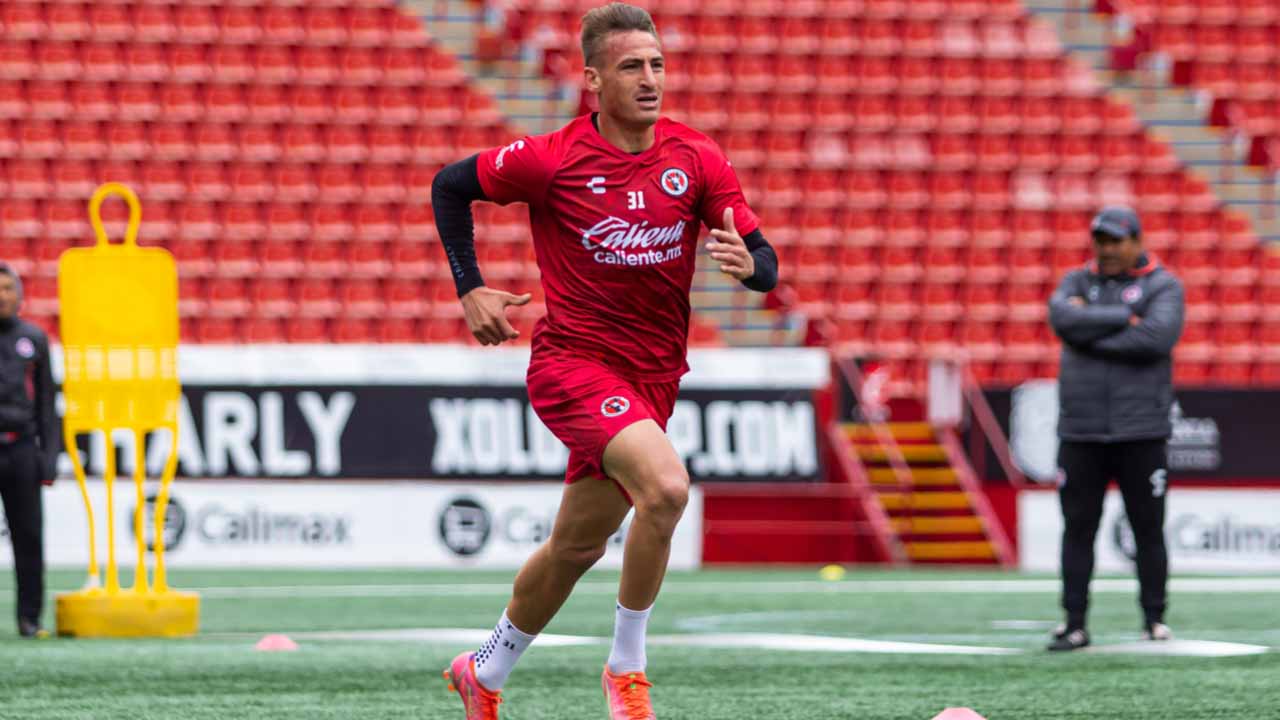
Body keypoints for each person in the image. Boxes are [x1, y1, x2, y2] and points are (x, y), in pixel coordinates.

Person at [430, 3, 778, 717]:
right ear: (592, 80)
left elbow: (765, 261)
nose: (650, 79)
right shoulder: (550, 160)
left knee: (573, 548)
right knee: (668, 490)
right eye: (631, 67)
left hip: (653, 378)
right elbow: (450, 186)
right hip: (573, 365)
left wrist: (750, 267)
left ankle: (484, 669)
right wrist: (469, 288)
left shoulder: (697, 158)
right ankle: (626, 671)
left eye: (657, 64)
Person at [1045, 206, 1185, 651]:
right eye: (1100, 241)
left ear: (1136, 242)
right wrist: (1123, 319)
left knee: (1147, 526)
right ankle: (1074, 622)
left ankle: (1154, 617)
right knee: (1078, 526)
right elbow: (1061, 320)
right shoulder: (1074, 281)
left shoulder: (1163, 284)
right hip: (1081, 430)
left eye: (1115, 241)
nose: (1106, 250)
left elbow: (1157, 339)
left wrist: (1088, 332)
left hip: (1141, 430)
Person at [0, 263, 59, 638]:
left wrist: (48, 458)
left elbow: (48, 405)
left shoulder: (33, 339)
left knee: (29, 536)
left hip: (21, 450)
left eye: (8, 289)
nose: (1, 296)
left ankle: (30, 617)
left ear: (19, 296)